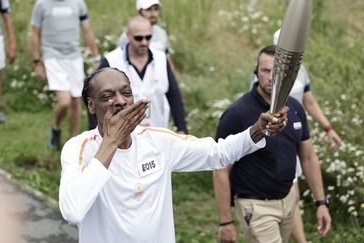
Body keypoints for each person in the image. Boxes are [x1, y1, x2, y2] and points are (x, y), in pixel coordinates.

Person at [59, 67, 288, 243]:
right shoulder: (78, 148)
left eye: (126, 93)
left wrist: (257, 130)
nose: (120, 100)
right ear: (91, 105)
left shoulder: (158, 140)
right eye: (107, 96)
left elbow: (218, 153)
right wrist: (111, 142)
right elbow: (72, 211)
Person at [213, 45, 331, 243]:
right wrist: (225, 221)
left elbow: (308, 157)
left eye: (276, 71)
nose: (270, 77)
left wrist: (321, 202)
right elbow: (220, 169)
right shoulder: (237, 113)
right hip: (256, 206)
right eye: (265, 70)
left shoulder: (295, 108)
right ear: (256, 71)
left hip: (288, 201)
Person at [249, 29, 343, 243]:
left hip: (294, 132)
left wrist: (328, 128)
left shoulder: (302, 71)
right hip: (272, 138)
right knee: (288, 191)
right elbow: (255, 106)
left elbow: (308, 101)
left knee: (293, 192)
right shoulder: (265, 71)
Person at [90, 16, 186, 133]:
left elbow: (174, 95)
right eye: (139, 38)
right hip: (123, 136)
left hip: (157, 133)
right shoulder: (111, 61)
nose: (144, 42)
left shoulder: (161, 59)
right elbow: (94, 97)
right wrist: (95, 132)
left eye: (148, 37)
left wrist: (181, 128)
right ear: (128, 36)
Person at [31, 0, 101, 150]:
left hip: (74, 57)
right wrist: (36, 61)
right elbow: (35, 32)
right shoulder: (41, 4)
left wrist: (96, 56)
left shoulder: (78, 3)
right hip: (53, 57)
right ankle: (55, 127)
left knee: (76, 100)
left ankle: (73, 144)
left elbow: (87, 30)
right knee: (64, 101)